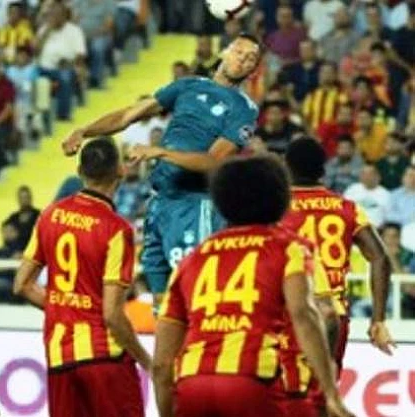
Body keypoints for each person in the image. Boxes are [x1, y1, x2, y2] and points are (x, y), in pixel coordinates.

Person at [152, 155, 354, 417]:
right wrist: (330, 392)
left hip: (192, 384)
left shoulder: (192, 260)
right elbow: (305, 314)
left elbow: (161, 364)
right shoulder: (289, 248)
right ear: (280, 197)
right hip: (250, 380)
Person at [62, 34, 261, 298]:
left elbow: (213, 161)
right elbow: (129, 114)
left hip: (195, 204)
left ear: (253, 70)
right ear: (224, 52)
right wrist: (84, 131)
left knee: (195, 293)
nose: (242, 60)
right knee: (161, 299)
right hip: (158, 204)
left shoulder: (244, 109)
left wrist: (161, 152)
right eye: (239, 52)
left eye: (250, 59)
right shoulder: (187, 86)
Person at [14, 137, 150, 417]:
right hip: (104, 356)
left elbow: (22, 285)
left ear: (79, 172)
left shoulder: (50, 215)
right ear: (121, 170)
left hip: (60, 357)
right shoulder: (117, 229)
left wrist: (65, 308)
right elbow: (112, 314)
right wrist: (147, 361)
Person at [279, 138, 394, 416]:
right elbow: (380, 258)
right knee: (323, 396)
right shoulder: (347, 207)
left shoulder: (275, 207)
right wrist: (378, 319)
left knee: (280, 397)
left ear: (286, 167)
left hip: (288, 312)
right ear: (323, 170)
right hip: (334, 317)